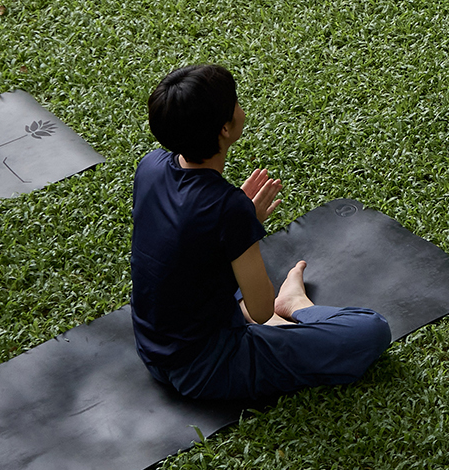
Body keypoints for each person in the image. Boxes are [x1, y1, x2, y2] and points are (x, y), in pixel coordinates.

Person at [131, 65, 391, 404]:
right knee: (370, 331)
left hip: (153, 349)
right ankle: (296, 304)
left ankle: (264, 314)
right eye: (235, 103)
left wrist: (236, 222)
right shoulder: (227, 208)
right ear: (225, 129)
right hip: (205, 369)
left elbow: (179, 237)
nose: (241, 108)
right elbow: (261, 307)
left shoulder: (150, 166)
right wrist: (240, 224)